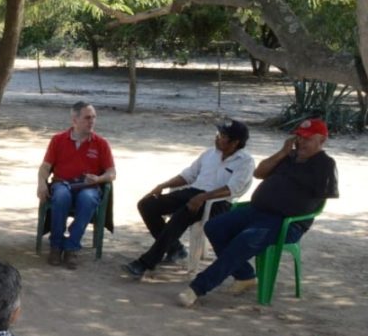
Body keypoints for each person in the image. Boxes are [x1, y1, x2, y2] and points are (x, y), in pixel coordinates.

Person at [178, 118, 339, 307]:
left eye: (308, 139)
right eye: (300, 137)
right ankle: (245, 275)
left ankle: (198, 287)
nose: (302, 142)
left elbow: (318, 200)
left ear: (322, 141)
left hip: (286, 221)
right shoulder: (288, 156)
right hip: (257, 210)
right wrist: (282, 153)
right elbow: (259, 173)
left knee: (245, 240)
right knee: (215, 227)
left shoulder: (325, 164)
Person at [122, 120, 255, 279]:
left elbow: (233, 189)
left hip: (218, 202)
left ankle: (146, 262)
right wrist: (163, 185)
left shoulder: (245, 162)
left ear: (235, 142)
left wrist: (204, 197)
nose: (217, 138)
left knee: (183, 214)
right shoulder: (209, 154)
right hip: (194, 193)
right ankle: (175, 248)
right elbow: (188, 175)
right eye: (218, 134)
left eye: (223, 136)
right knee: (147, 205)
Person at [37, 101, 115, 269]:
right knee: (60, 196)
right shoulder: (58, 140)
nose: (92, 121)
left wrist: (99, 179)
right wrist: (41, 183)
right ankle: (56, 246)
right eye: (87, 117)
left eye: (94, 117)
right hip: (62, 183)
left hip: (88, 186)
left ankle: (71, 246)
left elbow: (112, 173)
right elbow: (45, 167)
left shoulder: (101, 143)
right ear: (75, 120)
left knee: (88, 199)